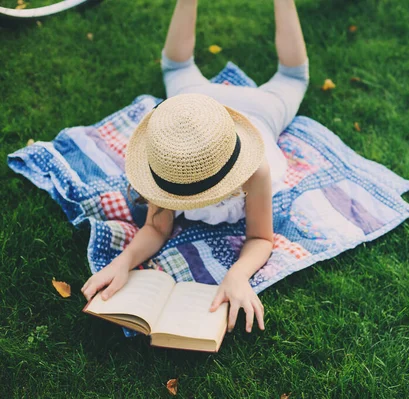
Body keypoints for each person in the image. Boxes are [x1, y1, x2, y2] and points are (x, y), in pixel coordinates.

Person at [81, 0, 309, 334]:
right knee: (176, 68)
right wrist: (123, 262)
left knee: (292, 75)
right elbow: (156, 227)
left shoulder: (254, 169)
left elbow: (261, 237)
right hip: (192, 106)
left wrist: (237, 275)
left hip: (259, 114)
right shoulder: (169, 157)